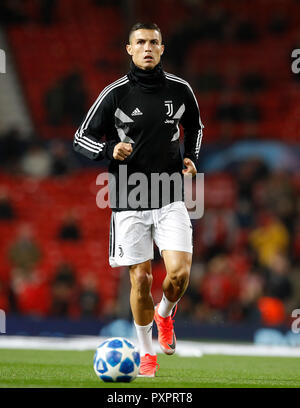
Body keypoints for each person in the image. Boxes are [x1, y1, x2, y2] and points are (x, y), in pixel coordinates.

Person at [73, 22, 204, 377]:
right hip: (128, 199)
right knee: (141, 280)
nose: (148, 47)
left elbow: (196, 126)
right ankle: (147, 354)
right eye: (140, 42)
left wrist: (191, 155)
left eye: (154, 42)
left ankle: (165, 314)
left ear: (162, 49)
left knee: (178, 274)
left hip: (169, 195)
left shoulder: (180, 89)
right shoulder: (115, 93)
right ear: (129, 49)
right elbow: (80, 138)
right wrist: (108, 148)